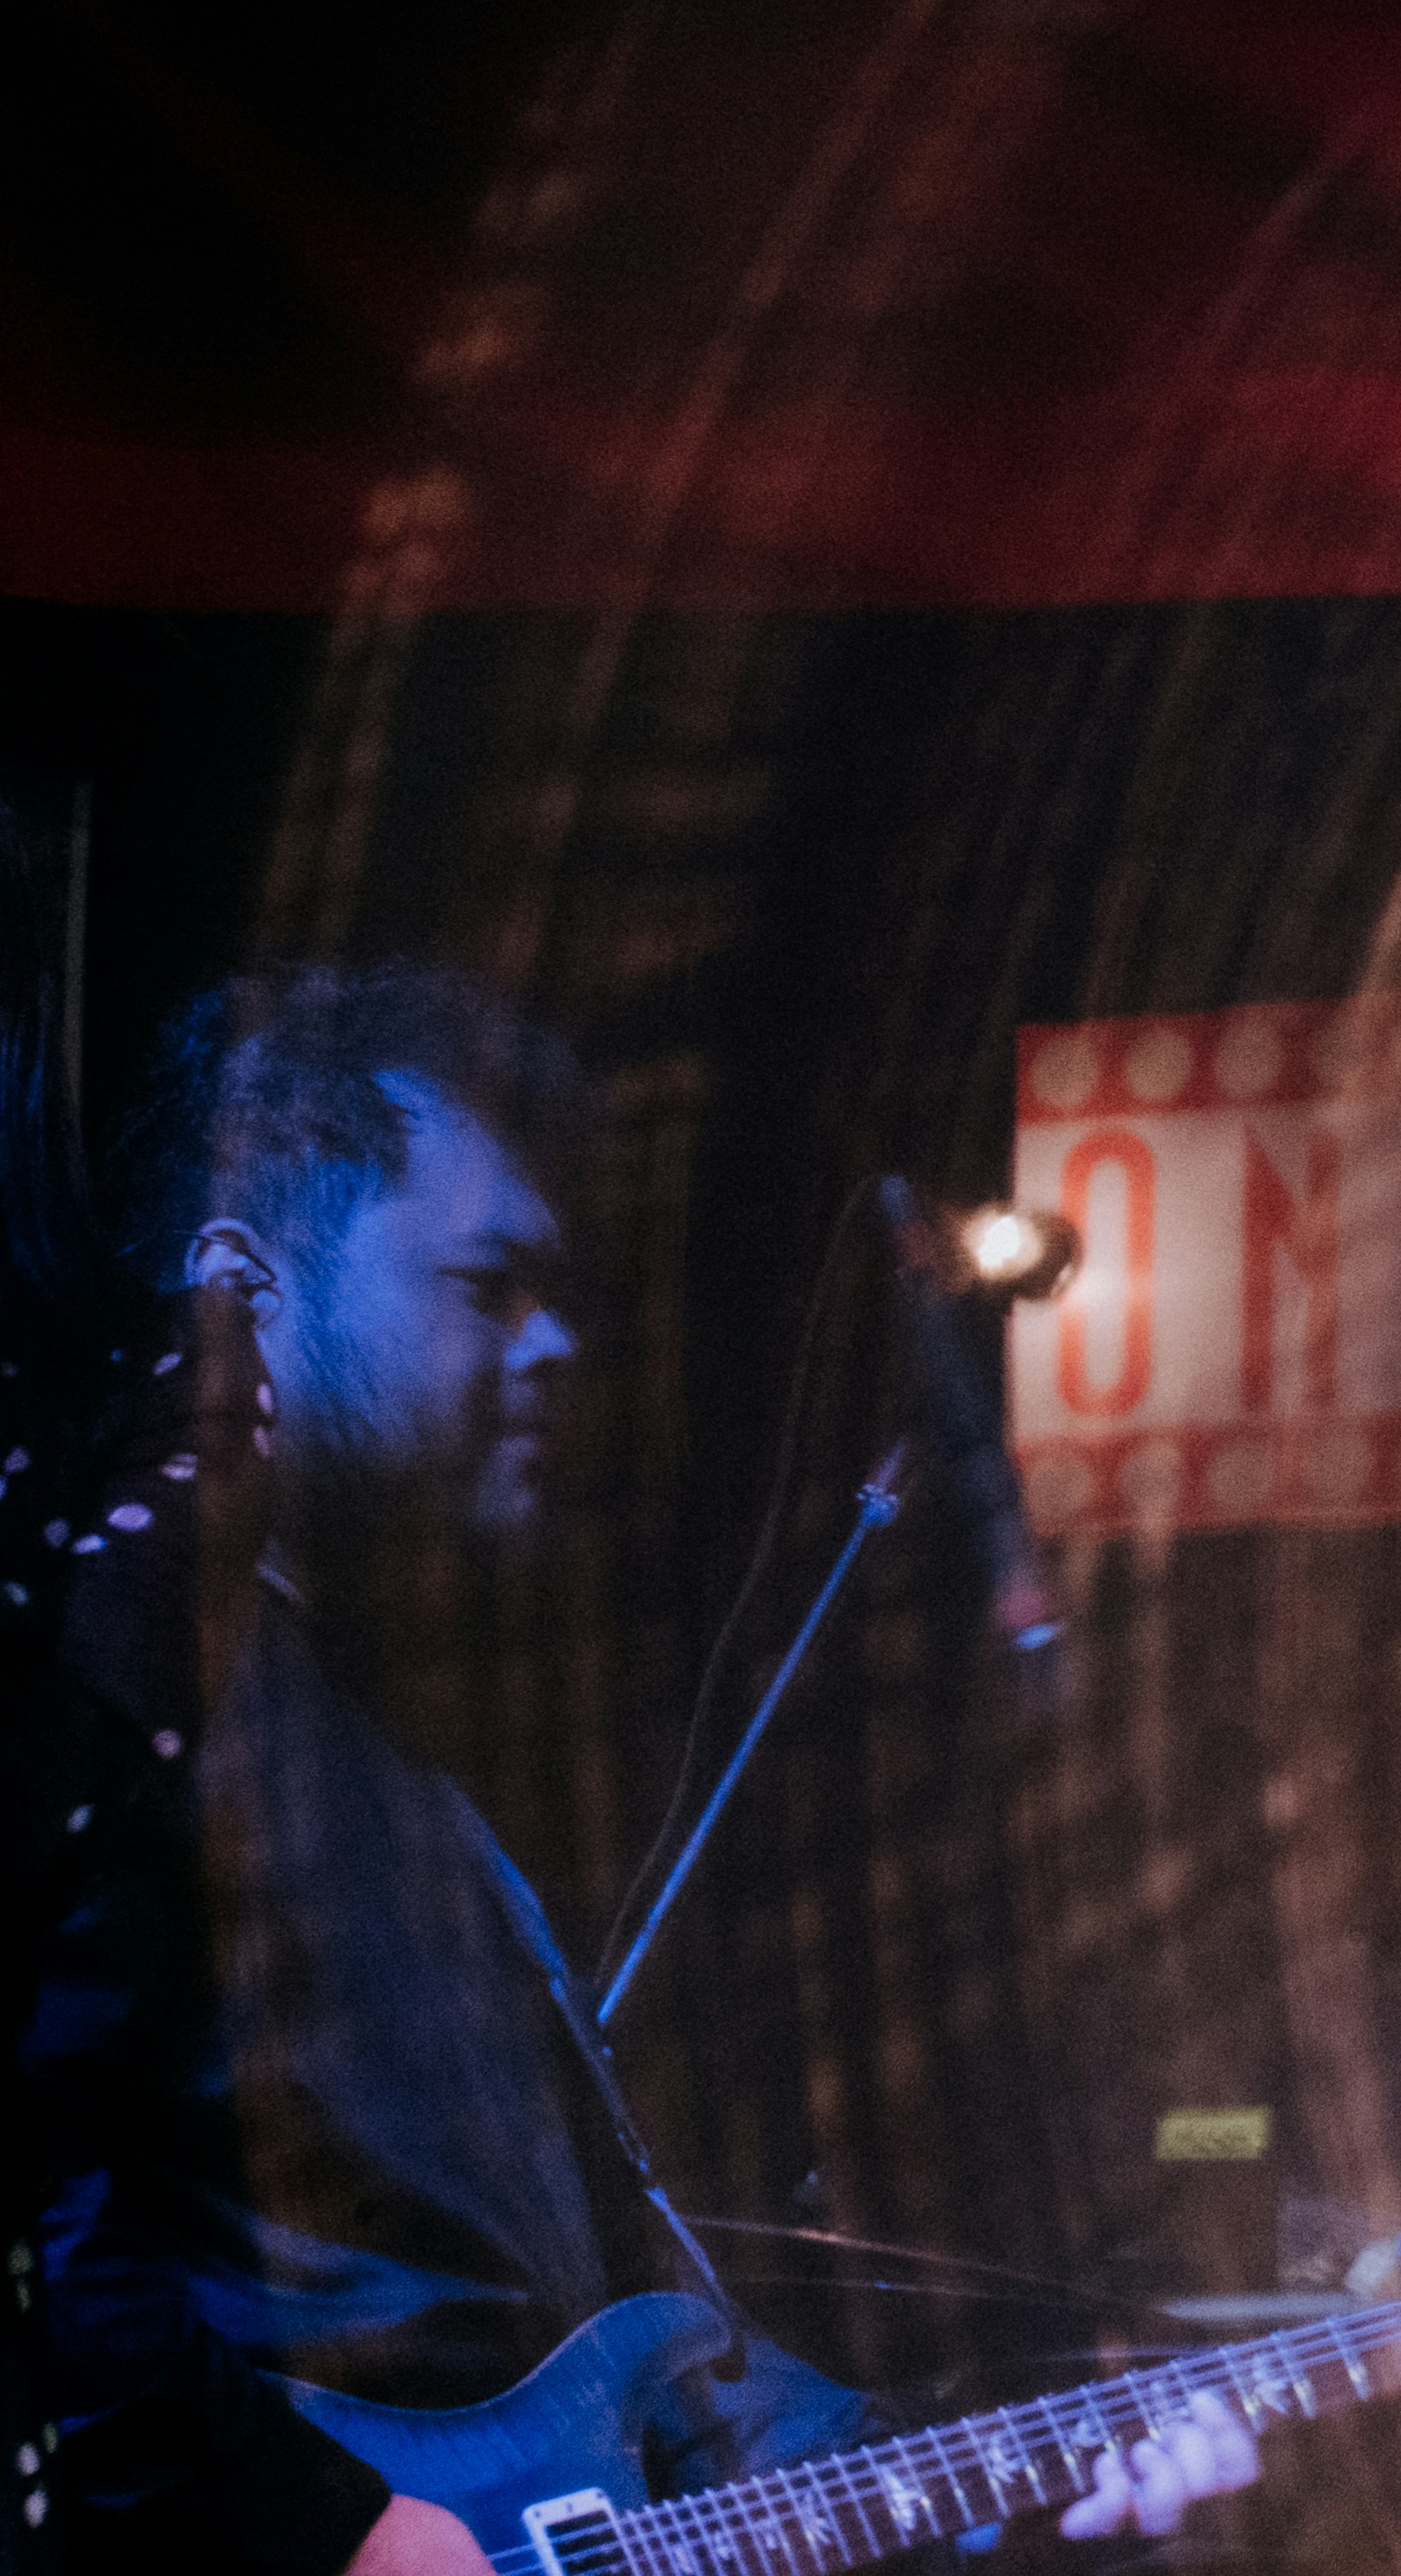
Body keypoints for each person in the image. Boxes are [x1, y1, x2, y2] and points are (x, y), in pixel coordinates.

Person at [21, 967, 1256, 2572]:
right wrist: (326, 2524)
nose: (560, 1345)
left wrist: (1032, 2483)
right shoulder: (114, 1681)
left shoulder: (412, 1791)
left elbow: (661, 2377)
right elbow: (40, 2214)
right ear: (238, 1286)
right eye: (490, 1284)